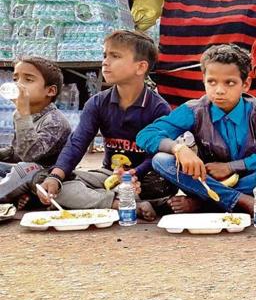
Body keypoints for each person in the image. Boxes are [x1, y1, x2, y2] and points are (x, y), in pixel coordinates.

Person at [137, 44, 256, 216]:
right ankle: (239, 200)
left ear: (245, 84)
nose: (219, 90)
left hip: (246, 180)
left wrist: (231, 166)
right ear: (203, 81)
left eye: (230, 83)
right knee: (161, 159)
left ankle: (203, 204)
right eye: (211, 82)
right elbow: (146, 135)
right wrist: (178, 148)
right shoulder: (194, 110)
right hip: (202, 181)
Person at [36, 30, 175, 221]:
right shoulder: (97, 103)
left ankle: (108, 200)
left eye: (115, 56)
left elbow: (158, 155)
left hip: (143, 178)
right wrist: (56, 177)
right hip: (107, 176)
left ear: (141, 67)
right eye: (105, 55)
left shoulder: (158, 108)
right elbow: (77, 143)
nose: (105, 62)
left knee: (162, 183)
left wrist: (136, 172)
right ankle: (118, 204)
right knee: (45, 179)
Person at [0, 57, 70, 209]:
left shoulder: (55, 121)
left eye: (28, 80)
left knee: (25, 168)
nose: (18, 85)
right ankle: (19, 197)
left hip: (45, 177)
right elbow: (17, 151)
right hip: (21, 173)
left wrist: (23, 114)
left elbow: (30, 155)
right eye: (15, 78)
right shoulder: (20, 114)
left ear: (50, 91)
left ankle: (15, 196)